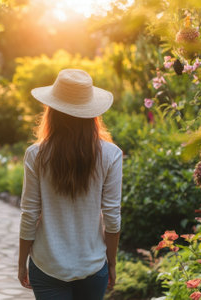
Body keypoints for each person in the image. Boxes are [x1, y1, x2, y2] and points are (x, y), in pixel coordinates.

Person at [17, 69, 122, 300]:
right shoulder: (111, 155)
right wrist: (111, 263)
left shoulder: (36, 155)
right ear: (91, 112)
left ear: (52, 111)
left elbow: (29, 214)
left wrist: (22, 261)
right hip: (93, 266)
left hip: (47, 265)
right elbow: (113, 217)